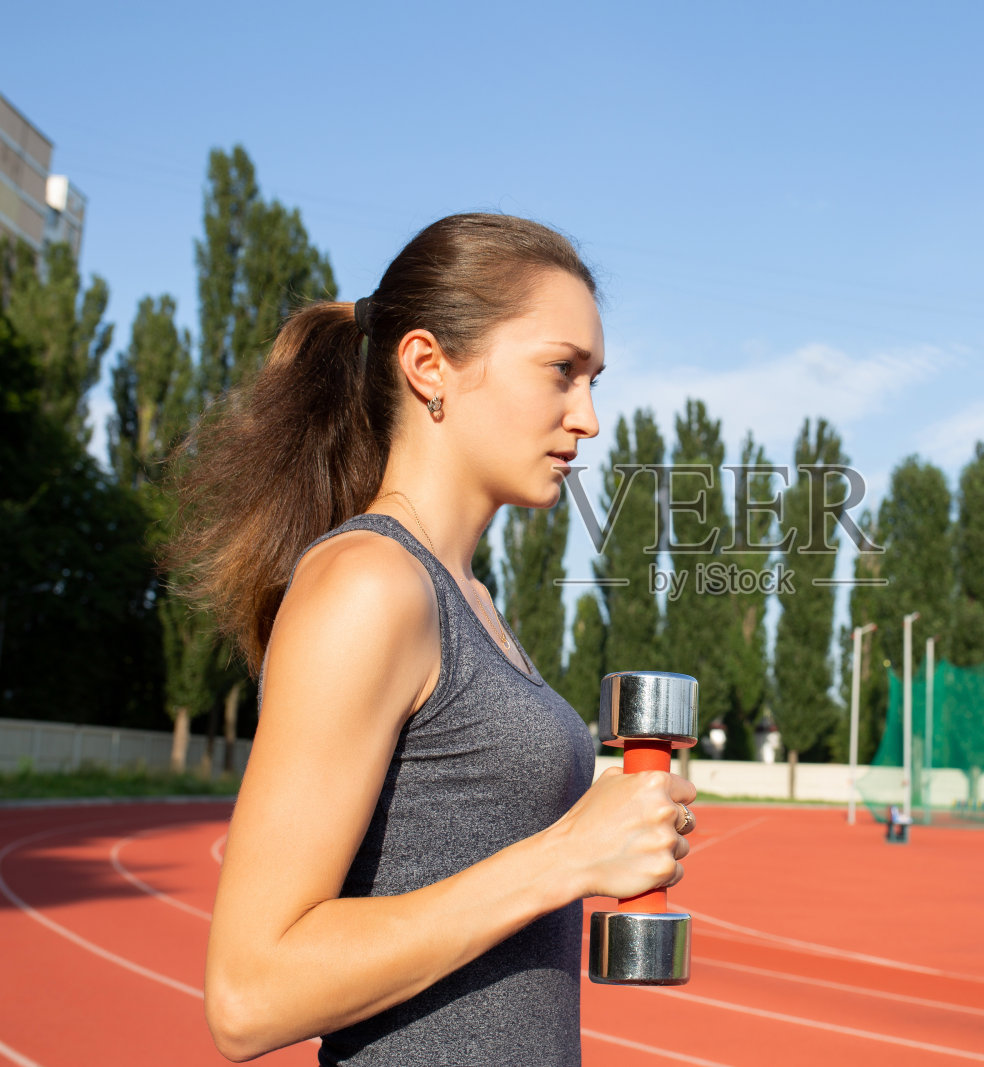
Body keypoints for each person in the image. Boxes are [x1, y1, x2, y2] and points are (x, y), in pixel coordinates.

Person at [166, 214, 697, 1065]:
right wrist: (565, 855)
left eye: (594, 379)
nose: (590, 418)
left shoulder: (468, 601)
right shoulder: (369, 584)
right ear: (428, 366)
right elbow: (248, 993)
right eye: (563, 371)